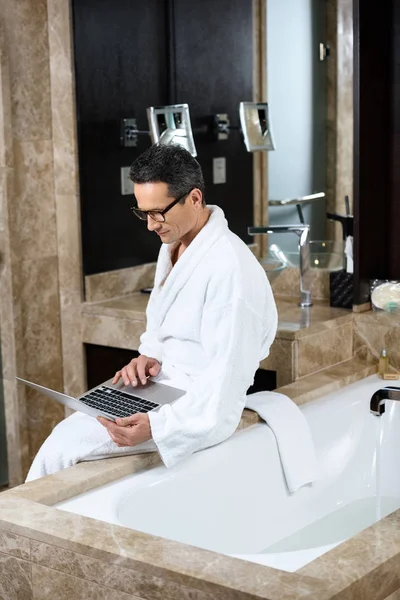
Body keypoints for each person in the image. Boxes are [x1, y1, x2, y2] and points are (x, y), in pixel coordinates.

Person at [26, 143, 277, 481]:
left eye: (158, 212)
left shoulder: (230, 270)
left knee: (63, 446)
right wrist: (150, 356)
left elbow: (224, 384)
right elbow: (167, 327)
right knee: (68, 431)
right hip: (161, 388)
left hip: (192, 407)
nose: (150, 225)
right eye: (143, 213)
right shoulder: (176, 244)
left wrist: (159, 428)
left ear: (195, 198)